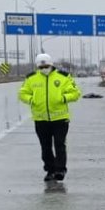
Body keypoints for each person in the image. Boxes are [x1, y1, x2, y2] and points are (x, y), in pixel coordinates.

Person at [19, 53, 82, 181]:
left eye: (46, 66)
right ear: (37, 67)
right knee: (45, 146)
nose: (44, 69)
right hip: (41, 119)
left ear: (51, 64)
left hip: (60, 119)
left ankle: (60, 170)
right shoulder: (31, 78)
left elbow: (75, 93)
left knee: (59, 144)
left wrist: (64, 98)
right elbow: (22, 93)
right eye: (41, 67)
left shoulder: (63, 77)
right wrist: (31, 100)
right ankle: (50, 170)